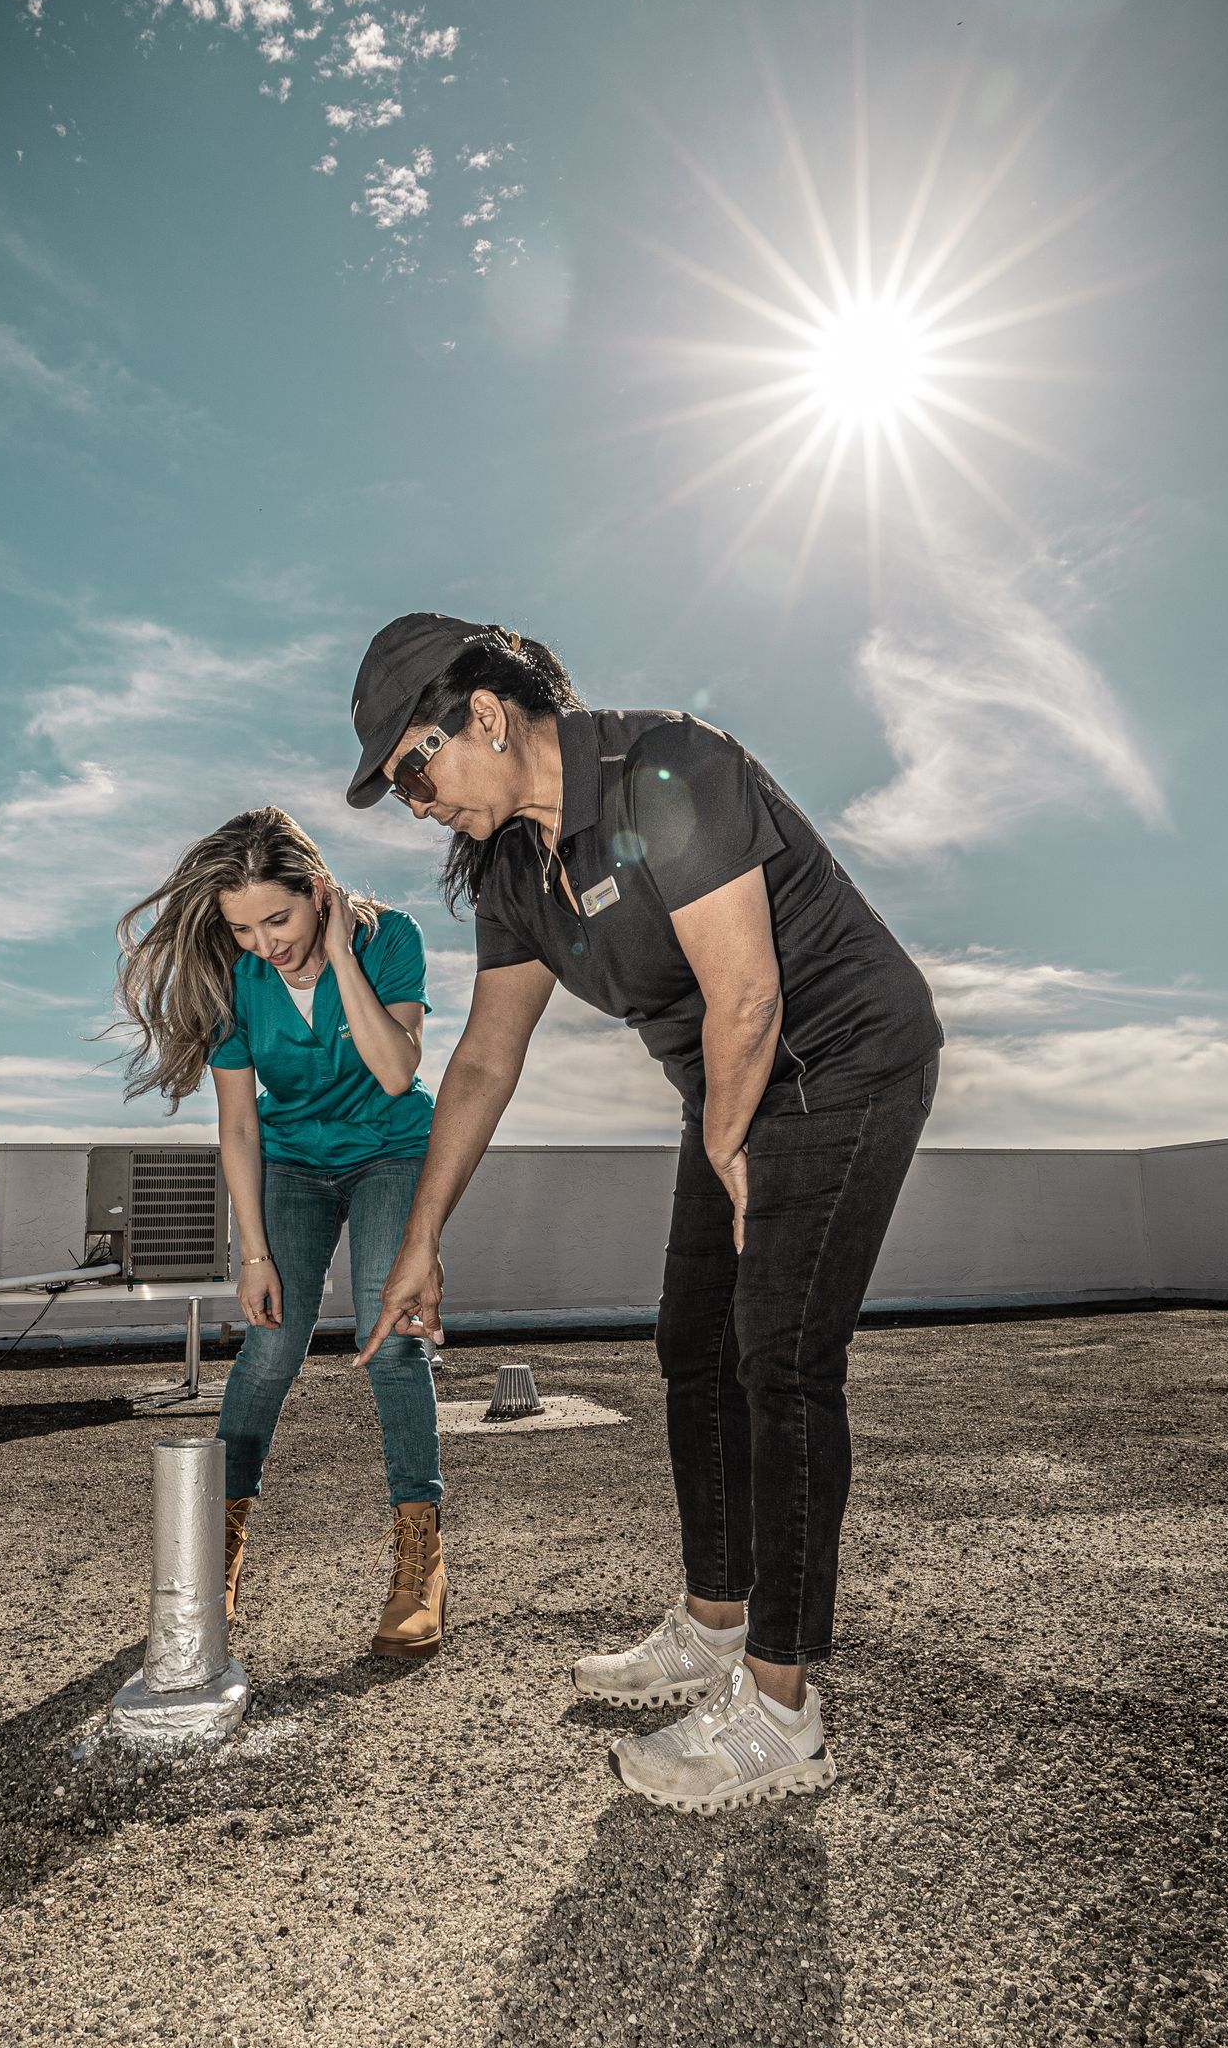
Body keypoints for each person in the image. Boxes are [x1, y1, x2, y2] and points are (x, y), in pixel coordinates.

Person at [345, 616, 941, 1808]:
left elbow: (750, 990)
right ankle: (716, 1626)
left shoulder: (668, 767)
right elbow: (481, 1061)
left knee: (780, 1362)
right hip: (737, 1081)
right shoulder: (515, 869)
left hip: (844, 1060)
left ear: (485, 714)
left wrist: (727, 1141)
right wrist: (421, 1243)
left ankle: (780, 1710)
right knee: (691, 1348)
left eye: (414, 766)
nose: (414, 802)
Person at [115, 805, 447, 1657]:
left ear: (318, 893)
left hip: (391, 1153)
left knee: (394, 1338)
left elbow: (397, 1069)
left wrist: (339, 955)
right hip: (293, 1164)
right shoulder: (236, 979)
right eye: (242, 927)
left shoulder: (390, 938)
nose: (266, 942)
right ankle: (214, 1550)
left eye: (280, 918)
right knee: (268, 1347)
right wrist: (253, 1253)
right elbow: (237, 1127)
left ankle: (419, 1560)